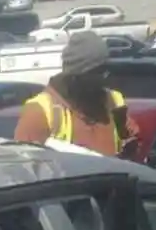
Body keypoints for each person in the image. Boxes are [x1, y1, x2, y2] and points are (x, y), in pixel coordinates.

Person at [14, 29, 135, 157]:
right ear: (75, 76)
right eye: (97, 71)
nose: (105, 76)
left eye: (106, 69)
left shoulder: (114, 101)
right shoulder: (40, 112)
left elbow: (131, 146)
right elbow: (26, 168)